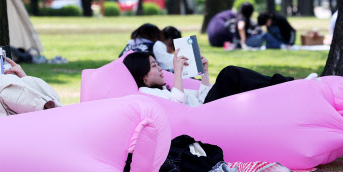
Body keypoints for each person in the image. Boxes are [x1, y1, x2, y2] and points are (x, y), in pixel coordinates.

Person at [122, 50, 294, 107]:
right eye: (154, 66)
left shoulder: (163, 89)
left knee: (234, 78)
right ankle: (283, 85)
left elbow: (200, 97)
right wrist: (178, 73)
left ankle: (279, 88)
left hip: (206, 107)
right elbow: (178, 106)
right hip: (203, 113)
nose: (160, 69)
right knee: (229, 74)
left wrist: (204, 73)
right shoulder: (145, 94)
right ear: (142, 75)